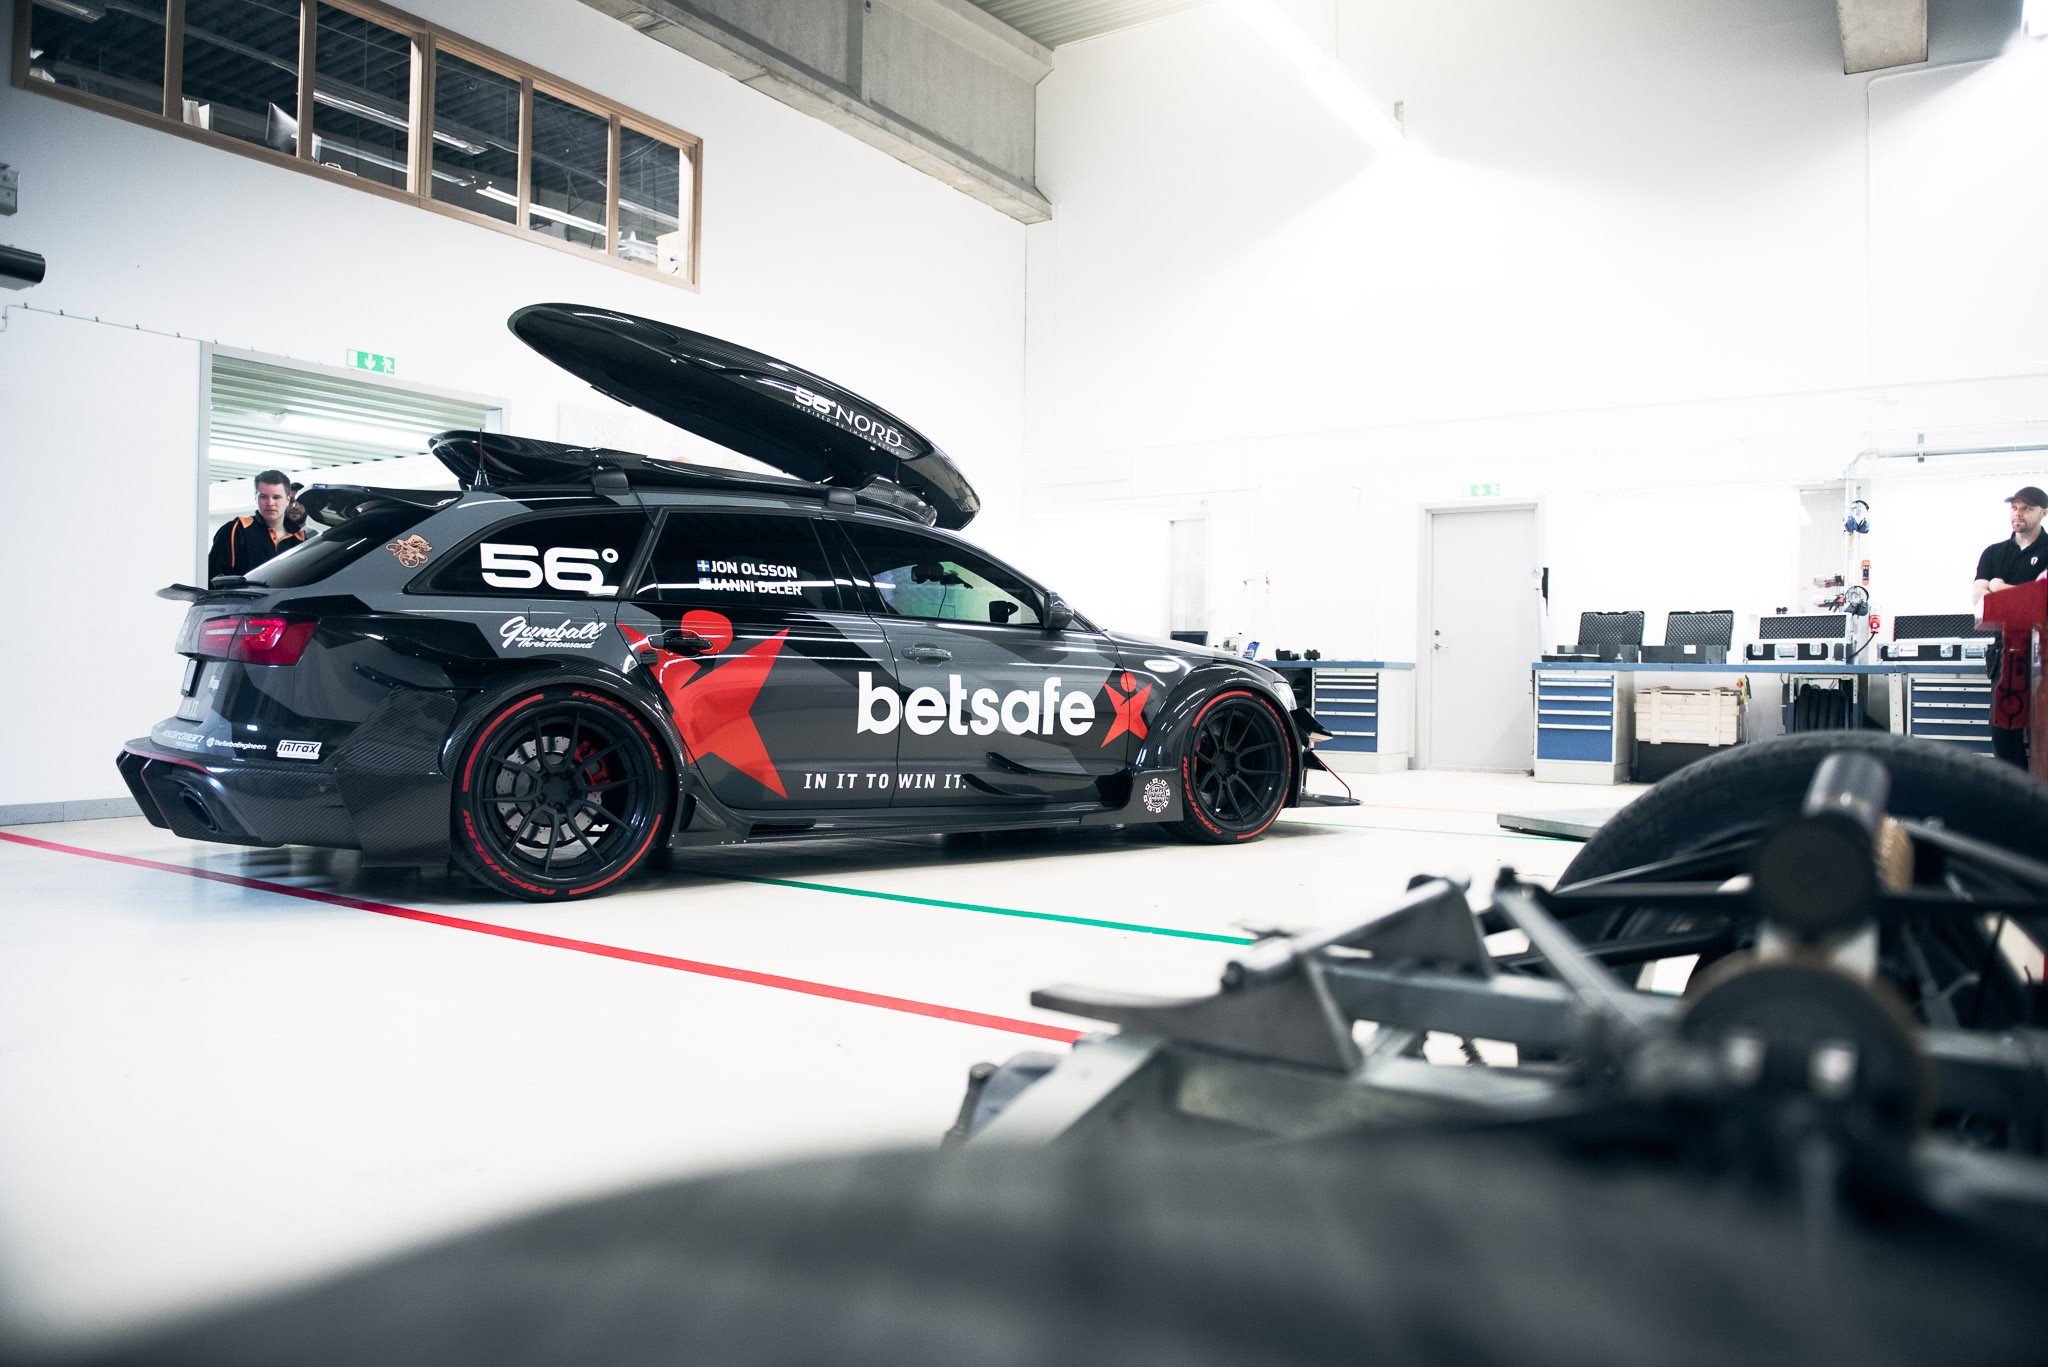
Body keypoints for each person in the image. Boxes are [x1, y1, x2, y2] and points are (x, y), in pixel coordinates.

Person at [1971, 484, 2047, 769]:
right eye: (2014, 508)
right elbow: (1979, 599)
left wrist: (1998, 586)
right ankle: (2016, 788)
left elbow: (2042, 601)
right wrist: (2018, 592)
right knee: (2003, 730)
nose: (2018, 514)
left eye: (2026, 508)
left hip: (2043, 652)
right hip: (2007, 652)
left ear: (2043, 513)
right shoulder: (1994, 553)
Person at [207, 469, 307, 585]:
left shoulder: (301, 540)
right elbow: (212, 580)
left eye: (276, 497)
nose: (270, 503)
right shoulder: (236, 530)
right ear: (256, 498)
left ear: (287, 500)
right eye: (264, 497)